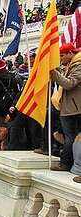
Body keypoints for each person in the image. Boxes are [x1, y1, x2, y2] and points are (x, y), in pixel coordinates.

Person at [51, 43, 81, 172]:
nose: (61, 58)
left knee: (71, 137)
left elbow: (69, 84)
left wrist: (53, 73)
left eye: (62, 55)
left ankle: (67, 163)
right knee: (70, 137)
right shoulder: (71, 65)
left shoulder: (78, 65)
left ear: (70, 53)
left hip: (75, 108)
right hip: (69, 107)